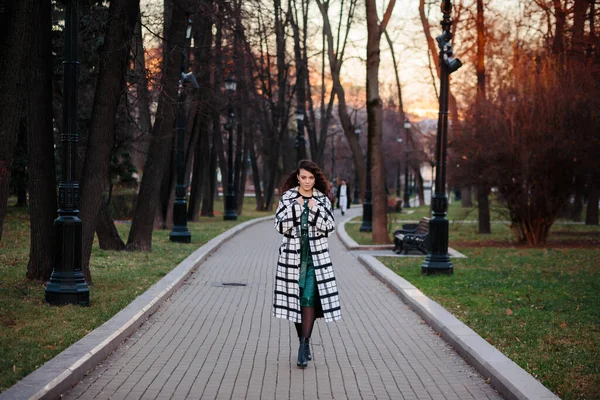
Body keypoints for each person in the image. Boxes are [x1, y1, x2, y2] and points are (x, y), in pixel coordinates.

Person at [273, 160, 342, 368]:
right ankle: (304, 341)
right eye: (303, 177)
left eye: (310, 178)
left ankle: (303, 346)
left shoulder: (322, 200)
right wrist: (297, 208)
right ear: (298, 177)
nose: (307, 181)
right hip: (291, 259)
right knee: (295, 303)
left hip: (315, 259)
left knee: (308, 299)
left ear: (315, 179)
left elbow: (329, 228)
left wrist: (313, 210)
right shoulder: (288, 198)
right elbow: (279, 226)